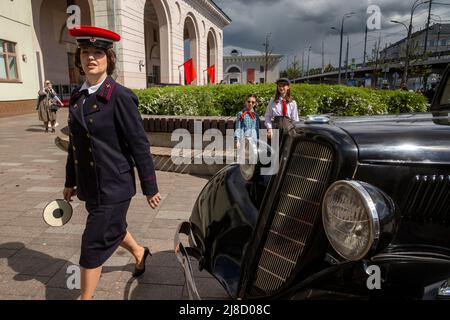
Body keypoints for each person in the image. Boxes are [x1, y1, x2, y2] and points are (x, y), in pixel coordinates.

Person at [63, 25, 162, 300]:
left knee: (92, 244)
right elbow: (74, 146)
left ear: (109, 59)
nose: (91, 58)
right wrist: (70, 181)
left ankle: (86, 297)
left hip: (115, 186)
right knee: (114, 228)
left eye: (98, 53)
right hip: (90, 186)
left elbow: (139, 144)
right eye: (85, 52)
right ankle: (140, 252)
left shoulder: (119, 96)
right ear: (79, 58)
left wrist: (150, 185)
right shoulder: (78, 97)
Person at [235, 94, 260, 160]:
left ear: (255, 103)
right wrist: (237, 141)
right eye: (249, 101)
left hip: (253, 139)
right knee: (243, 158)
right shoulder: (241, 114)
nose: (250, 103)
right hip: (244, 139)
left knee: (252, 158)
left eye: (253, 102)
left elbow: (257, 129)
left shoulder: (256, 115)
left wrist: (257, 141)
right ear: (245, 101)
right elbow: (238, 127)